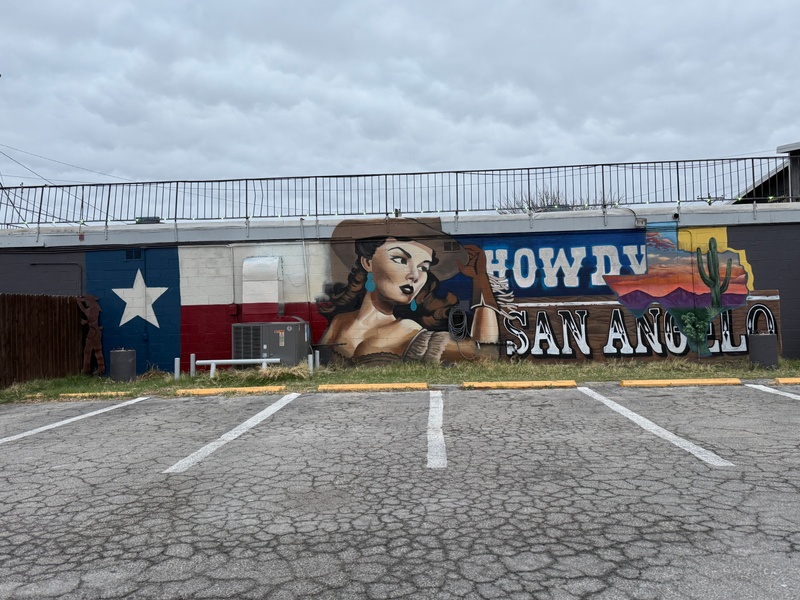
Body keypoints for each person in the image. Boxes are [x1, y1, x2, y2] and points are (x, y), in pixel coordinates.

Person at [317, 218, 501, 365]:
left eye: (424, 267)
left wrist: (480, 279)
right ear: (368, 262)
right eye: (400, 259)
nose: (414, 275)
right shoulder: (340, 322)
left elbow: (485, 356)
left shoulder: (408, 330)